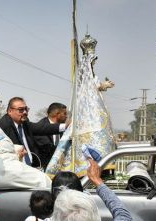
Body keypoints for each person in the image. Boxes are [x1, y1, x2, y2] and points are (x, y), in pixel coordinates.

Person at [45, 33, 116, 177]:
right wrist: (102, 85)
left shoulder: (92, 75)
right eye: (92, 61)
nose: (94, 63)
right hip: (87, 112)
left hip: (95, 110)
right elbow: (88, 88)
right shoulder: (84, 74)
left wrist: (104, 85)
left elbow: (95, 86)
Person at [0, 97, 65, 167]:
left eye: (26, 109)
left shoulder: (25, 123)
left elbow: (43, 128)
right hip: (15, 168)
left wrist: (65, 126)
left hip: (33, 166)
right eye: (21, 110)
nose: (25, 112)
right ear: (10, 111)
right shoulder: (2, 126)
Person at [33, 103, 68, 169]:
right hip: (45, 167)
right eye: (64, 113)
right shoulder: (41, 128)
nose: (66, 116)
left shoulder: (62, 127)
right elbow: (49, 149)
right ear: (57, 114)